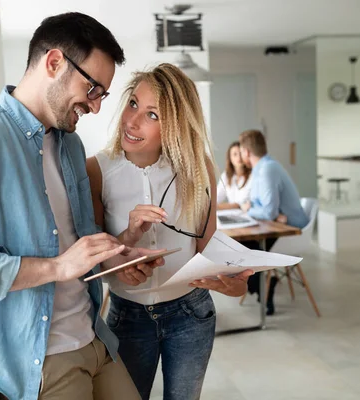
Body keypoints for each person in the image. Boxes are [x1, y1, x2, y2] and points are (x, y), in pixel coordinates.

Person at [0, 13, 161, 400]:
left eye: (102, 95)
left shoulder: (70, 145)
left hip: (95, 339)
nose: (96, 107)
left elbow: (74, 243)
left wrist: (117, 255)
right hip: (41, 358)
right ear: (54, 63)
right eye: (93, 88)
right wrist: (56, 268)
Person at [86, 64, 254, 400]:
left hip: (191, 313)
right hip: (127, 316)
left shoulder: (199, 168)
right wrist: (127, 241)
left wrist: (235, 283)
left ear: (175, 125)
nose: (132, 121)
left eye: (152, 114)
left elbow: (209, 251)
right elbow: (93, 263)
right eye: (133, 103)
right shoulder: (96, 170)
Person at [239, 129, 308, 314]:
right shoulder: (261, 168)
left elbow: (267, 212)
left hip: (290, 231)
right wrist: (261, 210)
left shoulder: (268, 169)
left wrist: (251, 210)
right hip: (276, 225)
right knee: (241, 247)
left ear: (246, 152)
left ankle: (263, 288)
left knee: (245, 248)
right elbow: (260, 205)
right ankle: (264, 287)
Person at [217, 141, 252, 210]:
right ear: (230, 158)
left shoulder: (252, 175)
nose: (239, 157)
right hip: (232, 215)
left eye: (241, 153)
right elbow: (216, 198)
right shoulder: (226, 176)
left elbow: (241, 204)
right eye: (235, 154)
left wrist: (218, 207)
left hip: (248, 215)